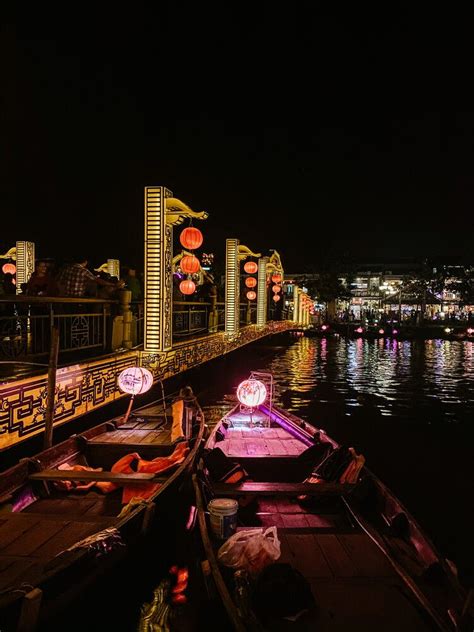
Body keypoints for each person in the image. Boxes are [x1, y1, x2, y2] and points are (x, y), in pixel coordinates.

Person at [56, 257, 124, 298]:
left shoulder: (66, 269)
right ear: (85, 262)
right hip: (77, 299)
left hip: (65, 299)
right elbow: (97, 280)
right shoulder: (83, 271)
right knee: (78, 319)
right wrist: (113, 285)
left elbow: (59, 282)